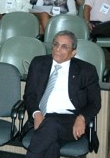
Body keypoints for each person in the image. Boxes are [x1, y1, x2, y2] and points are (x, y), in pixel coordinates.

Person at [23, 30, 101, 158]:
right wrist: (36, 114)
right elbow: (29, 95)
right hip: (42, 117)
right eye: (56, 44)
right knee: (51, 147)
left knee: (51, 124)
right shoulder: (38, 63)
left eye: (65, 47)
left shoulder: (86, 70)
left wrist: (82, 118)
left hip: (70, 121)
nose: (58, 49)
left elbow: (95, 102)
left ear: (73, 52)